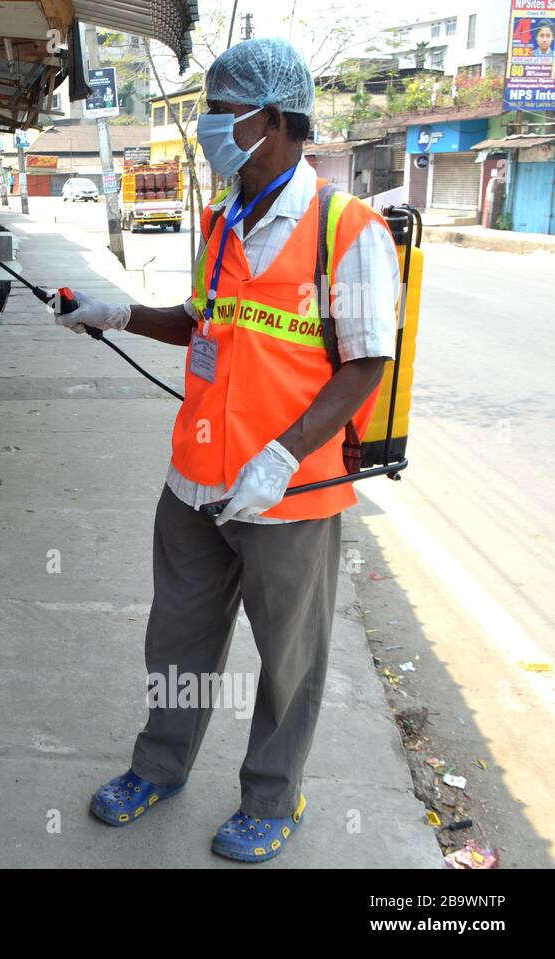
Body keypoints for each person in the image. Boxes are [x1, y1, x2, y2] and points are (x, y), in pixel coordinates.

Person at [55, 37, 402, 862]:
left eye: (219, 111)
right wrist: (113, 313)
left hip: (291, 493)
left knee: (288, 659)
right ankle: (161, 765)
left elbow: (365, 365)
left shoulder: (345, 230)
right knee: (175, 640)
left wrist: (281, 456)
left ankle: (273, 798)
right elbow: (202, 322)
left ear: (271, 121)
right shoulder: (221, 217)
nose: (208, 126)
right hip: (194, 484)